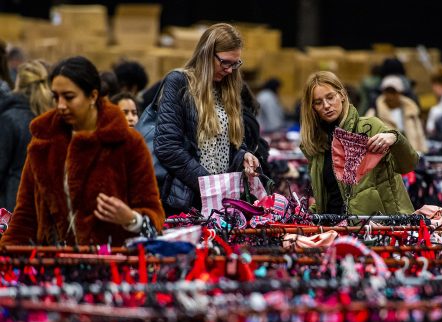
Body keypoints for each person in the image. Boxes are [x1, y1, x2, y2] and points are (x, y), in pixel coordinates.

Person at [0, 56, 164, 246]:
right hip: (54, 265)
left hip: (114, 266)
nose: (60, 105)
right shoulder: (43, 144)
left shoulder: (128, 144)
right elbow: (25, 216)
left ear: (93, 96)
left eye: (69, 97)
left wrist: (131, 218)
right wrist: (6, 257)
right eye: (56, 97)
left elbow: (154, 218)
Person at [154, 23, 260, 215]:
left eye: (235, 63)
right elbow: (167, 147)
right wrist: (209, 184)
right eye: (225, 62)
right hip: (188, 201)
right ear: (206, 54)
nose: (230, 70)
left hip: (222, 201)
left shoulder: (229, 89)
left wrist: (243, 155)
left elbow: (233, 145)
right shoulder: (178, 82)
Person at [300, 71, 418, 215]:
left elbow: (409, 164)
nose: (326, 105)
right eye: (318, 102)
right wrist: (307, 213)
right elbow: (332, 196)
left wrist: (395, 139)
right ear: (312, 108)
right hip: (336, 230)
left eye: (330, 97)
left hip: (382, 229)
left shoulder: (370, 127)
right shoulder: (318, 146)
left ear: (342, 95)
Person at [0, 60, 53, 211]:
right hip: (45, 205)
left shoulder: (9, 119)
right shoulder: (50, 120)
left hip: (12, 204)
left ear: (19, 84)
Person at [365, 75, 428, 153]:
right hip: (384, 159)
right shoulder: (374, 112)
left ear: (400, 92)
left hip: (411, 155)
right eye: (387, 92)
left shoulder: (411, 111)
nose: (390, 96)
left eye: (393, 92)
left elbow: (419, 134)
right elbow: (365, 136)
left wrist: (421, 152)